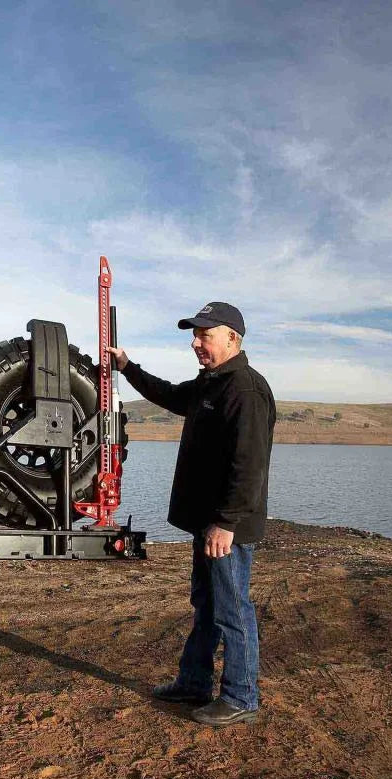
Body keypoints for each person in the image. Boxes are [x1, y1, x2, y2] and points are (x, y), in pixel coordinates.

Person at [108, 301, 276, 727]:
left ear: (233, 338)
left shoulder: (245, 390)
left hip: (226, 526)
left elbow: (249, 465)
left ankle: (241, 697)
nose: (196, 343)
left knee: (232, 609)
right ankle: (194, 683)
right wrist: (127, 366)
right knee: (207, 603)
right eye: (195, 335)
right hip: (208, 521)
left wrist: (226, 523)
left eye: (205, 335)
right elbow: (167, 394)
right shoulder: (210, 383)